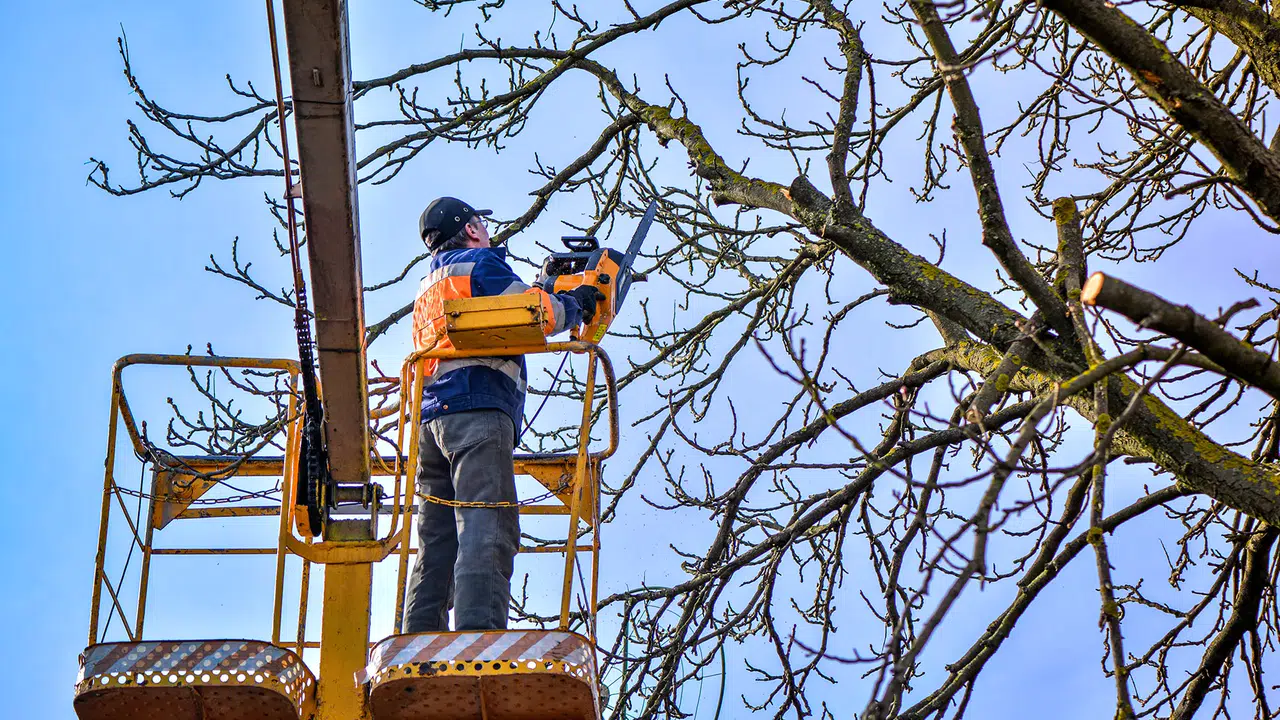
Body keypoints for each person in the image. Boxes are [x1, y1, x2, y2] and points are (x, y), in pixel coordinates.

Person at [403, 196, 603, 633]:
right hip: (476, 410)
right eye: (483, 224)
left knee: (437, 540)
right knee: (487, 523)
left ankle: (417, 639)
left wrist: (542, 287)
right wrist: (577, 302)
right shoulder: (480, 264)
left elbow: (501, 315)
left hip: (432, 421)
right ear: (472, 229)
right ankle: (478, 639)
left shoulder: (429, 285)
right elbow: (537, 314)